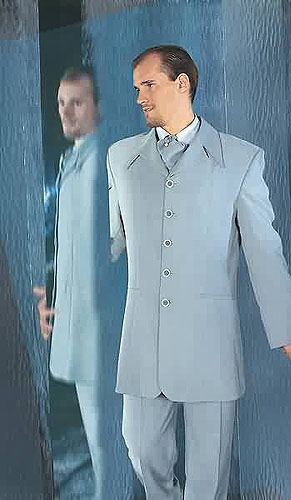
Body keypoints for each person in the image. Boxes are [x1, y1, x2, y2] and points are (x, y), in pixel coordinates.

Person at [107, 45, 291, 500]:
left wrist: (286, 324)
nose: (139, 97)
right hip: (143, 339)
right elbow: (113, 239)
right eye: (136, 88)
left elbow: (263, 248)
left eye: (148, 85)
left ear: (182, 84)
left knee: (208, 472)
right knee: (141, 450)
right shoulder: (120, 158)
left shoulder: (240, 159)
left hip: (209, 340)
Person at [34, 67, 133, 499]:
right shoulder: (70, 164)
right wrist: (50, 298)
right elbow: (65, 245)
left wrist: (108, 263)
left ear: (97, 107)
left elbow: (127, 231)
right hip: (75, 316)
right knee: (95, 426)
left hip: (103, 317)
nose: (66, 111)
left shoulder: (107, 161)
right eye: (61, 103)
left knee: (113, 427)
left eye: (77, 102)